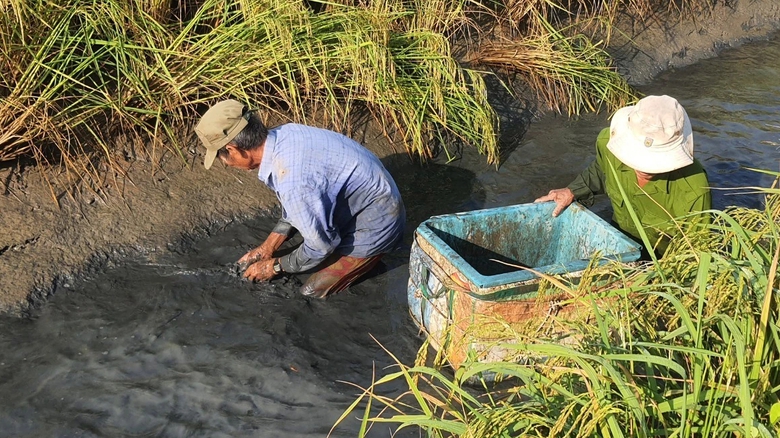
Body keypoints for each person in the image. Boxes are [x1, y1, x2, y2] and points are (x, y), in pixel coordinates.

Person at [195, 99, 406, 298]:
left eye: (221, 157)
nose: (225, 164)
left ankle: (372, 257)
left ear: (234, 149)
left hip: (378, 223)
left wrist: (274, 266)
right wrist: (267, 248)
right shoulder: (284, 134)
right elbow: (296, 206)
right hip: (364, 199)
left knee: (312, 291)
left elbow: (321, 245)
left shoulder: (293, 179)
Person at [535, 94, 711, 256]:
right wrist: (572, 191)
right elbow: (601, 170)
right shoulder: (609, 144)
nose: (645, 167)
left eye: (654, 161)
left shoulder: (693, 190)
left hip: (663, 260)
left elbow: (696, 252)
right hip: (619, 242)